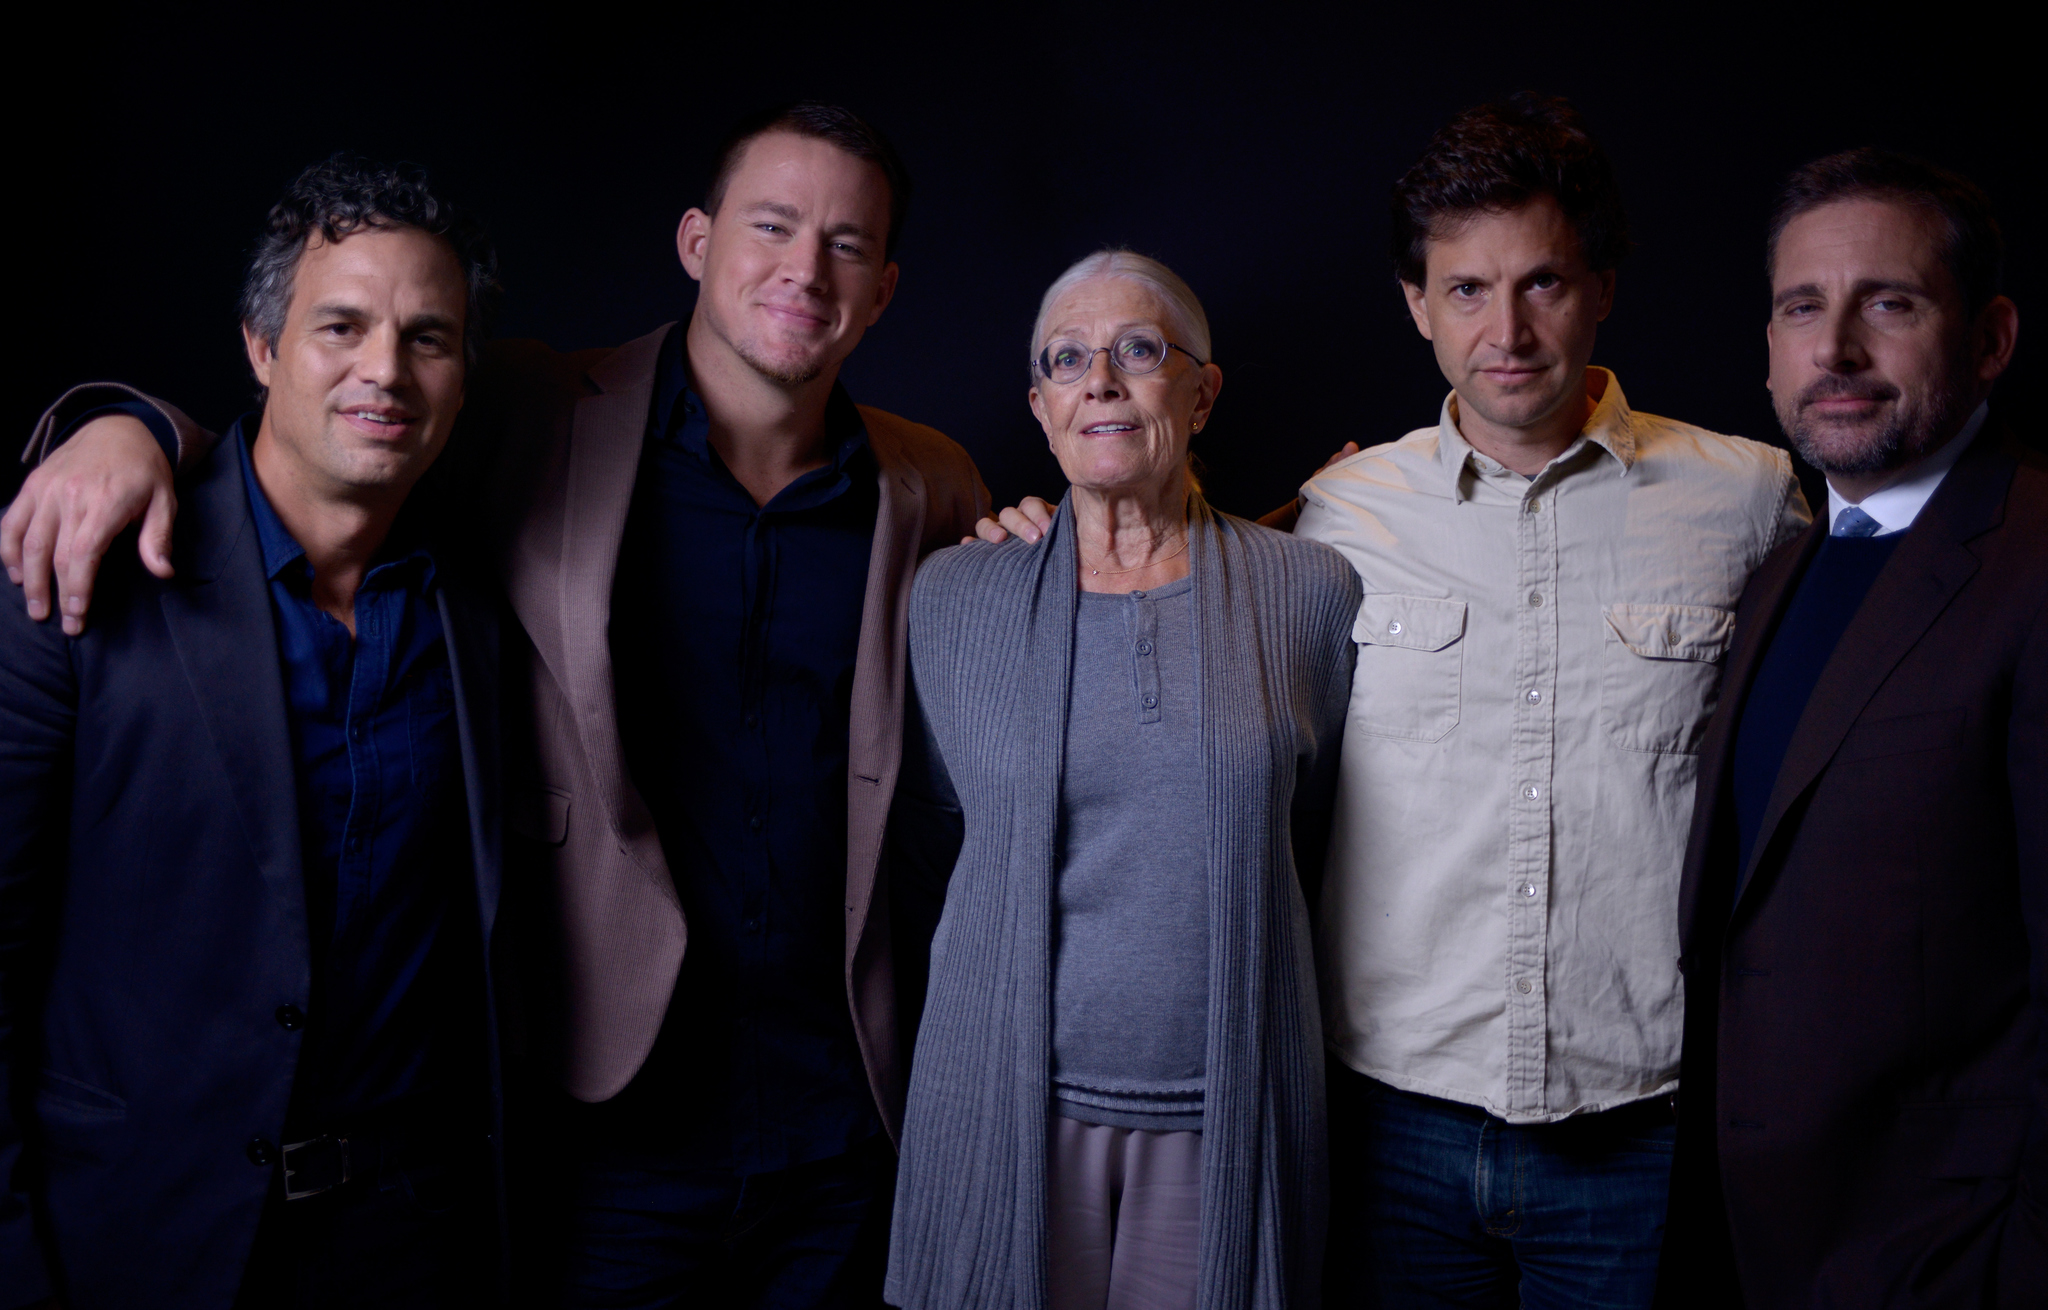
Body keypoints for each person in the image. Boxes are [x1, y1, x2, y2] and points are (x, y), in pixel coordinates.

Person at [1, 102, 989, 1307]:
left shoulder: (928, 486)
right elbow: (302, 455)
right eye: (772, 223)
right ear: (694, 238)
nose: (801, 266)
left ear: (883, 288)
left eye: (844, 244)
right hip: (589, 1135)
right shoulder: (541, 414)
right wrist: (123, 424)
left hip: (821, 1133)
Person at [978, 95, 1809, 1308]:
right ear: (1416, 305)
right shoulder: (1338, 514)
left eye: (1542, 283)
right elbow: (1162, 562)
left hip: (1637, 1130)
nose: (1506, 328)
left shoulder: (1747, 499)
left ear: (1601, 287)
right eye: (1465, 290)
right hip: (1387, 1129)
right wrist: (1049, 541)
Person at [0, 157, 508, 1309]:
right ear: (262, 348)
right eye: (341, 325)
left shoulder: (473, 605)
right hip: (130, 1240)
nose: (385, 368)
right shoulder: (85, 570)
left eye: (429, 337)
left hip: (407, 1247)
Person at [886, 250, 1358, 1310]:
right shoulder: (954, 596)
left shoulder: (1311, 591)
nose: (1098, 377)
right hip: (1008, 1107)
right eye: (1067, 358)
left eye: (1137, 350)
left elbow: (1319, 837)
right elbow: (928, 847)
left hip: (1222, 1110)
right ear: (1042, 406)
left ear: (1200, 391)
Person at [1656, 149, 2043, 1308]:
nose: (1832, 350)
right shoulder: (1782, 569)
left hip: (1943, 1256)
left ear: (1987, 338)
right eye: (1799, 307)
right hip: (1755, 1242)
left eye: (1888, 302)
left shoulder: (2031, 564)